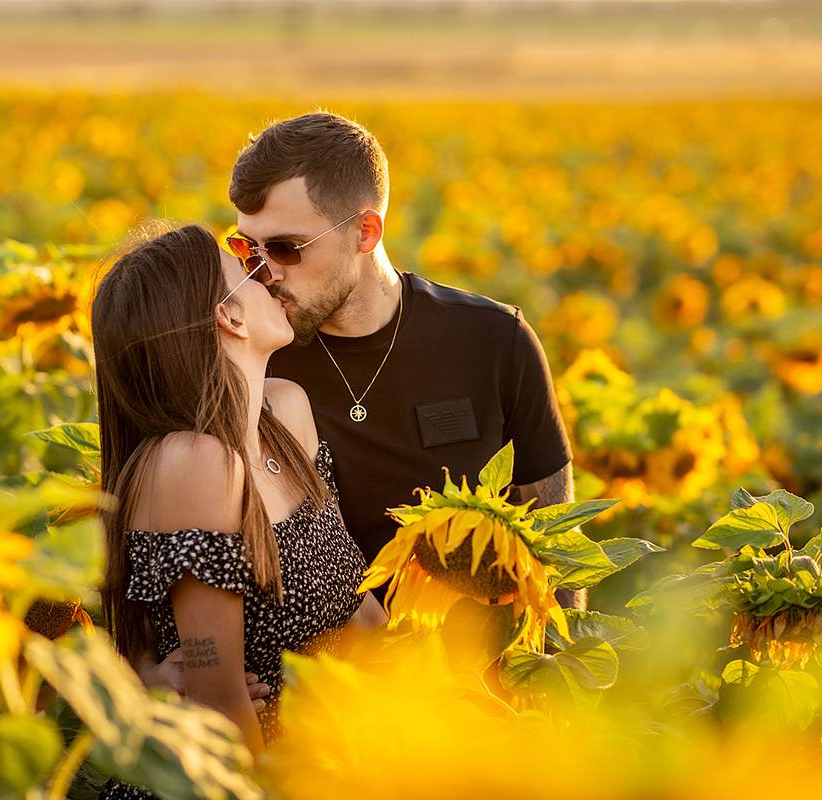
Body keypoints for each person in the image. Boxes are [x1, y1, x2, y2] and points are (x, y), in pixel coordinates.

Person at [225, 111, 579, 606]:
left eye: (286, 248)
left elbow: (554, 543)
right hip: (325, 673)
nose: (264, 271)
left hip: (481, 672)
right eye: (247, 247)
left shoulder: (494, 340)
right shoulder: (254, 358)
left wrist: (556, 670)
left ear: (366, 232)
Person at [92, 223, 385, 796]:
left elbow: (361, 612)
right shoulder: (195, 462)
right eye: (250, 270)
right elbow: (222, 704)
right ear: (230, 318)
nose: (272, 274)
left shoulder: (286, 415)